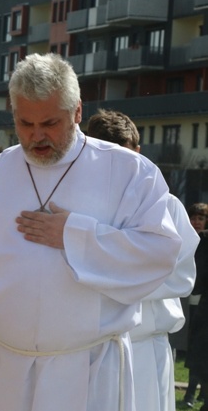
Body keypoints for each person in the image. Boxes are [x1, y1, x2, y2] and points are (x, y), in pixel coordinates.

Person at [0, 53, 182, 411]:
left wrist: (75, 235)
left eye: (50, 123)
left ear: (77, 112)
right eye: (25, 124)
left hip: (88, 368)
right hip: (1, 367)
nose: (36, 136)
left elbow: (160, 252)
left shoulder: (128, 172)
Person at [87, 108, 198, 411]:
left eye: (125, 157)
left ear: (138, 151)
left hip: (145, 346)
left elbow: (182, 275)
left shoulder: (167, 206)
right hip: (89, 348)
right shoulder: (81, 205)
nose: (118, 168)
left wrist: (113, 276)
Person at [185, 202, 208, 407]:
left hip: (203, 304)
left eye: (201, 219)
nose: (197, 222)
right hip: (186, 300)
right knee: (193, 349)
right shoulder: (185, 240)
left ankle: (197, 395)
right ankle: (191, 395)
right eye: (193, 218)